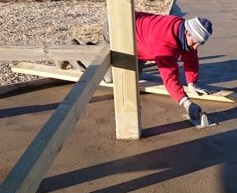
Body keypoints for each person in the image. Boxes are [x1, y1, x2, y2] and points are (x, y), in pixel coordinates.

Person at [64, 12, 214, 120]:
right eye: (195, 42)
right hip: (118, 27)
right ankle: (72, 54)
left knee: (133, 75)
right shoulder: (165, 41)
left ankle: (95, 50)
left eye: (199, 44)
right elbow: (169, 76)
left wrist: (192, 83)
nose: (195, 47)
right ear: (187, 32)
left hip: (139, 43)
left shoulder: (185, 33)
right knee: (110, 77)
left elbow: (191, 58)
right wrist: (186, 103)